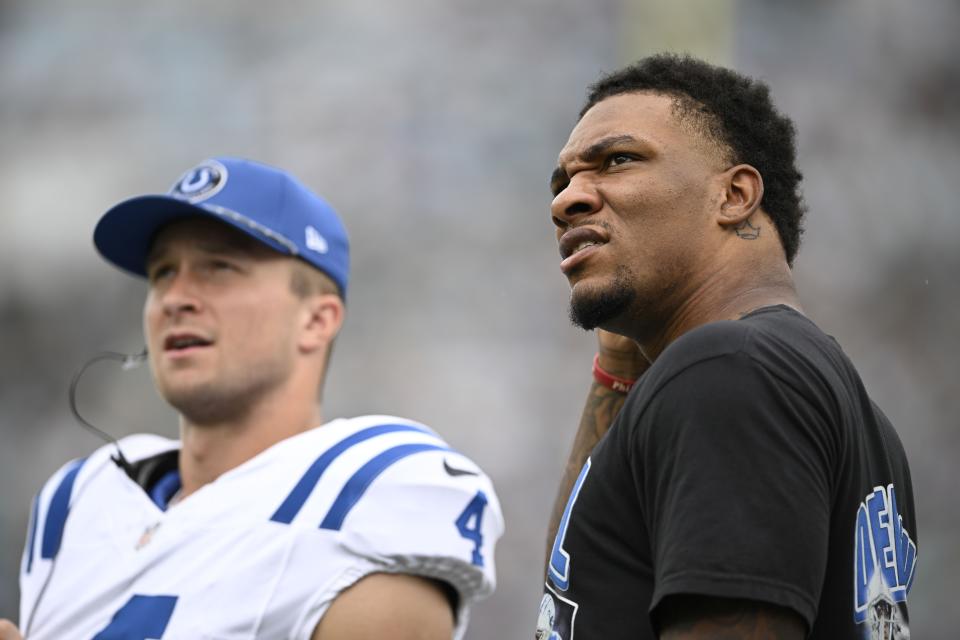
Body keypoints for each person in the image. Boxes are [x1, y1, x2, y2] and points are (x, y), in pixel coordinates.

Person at [6, 157, 502, 639]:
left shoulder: (374, 488)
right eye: (162, 273)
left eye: (218, 267)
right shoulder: (77, 501)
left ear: (316, 319)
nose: (175, 297)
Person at [536, 54, 917, 640]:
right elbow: (567, 606)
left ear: (735, 195)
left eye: (617, 160)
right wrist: (618, 367)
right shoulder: (822, 394)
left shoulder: (730, 371)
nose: (567, 201)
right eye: (563, 182)